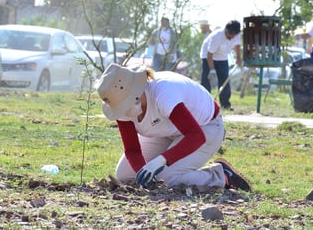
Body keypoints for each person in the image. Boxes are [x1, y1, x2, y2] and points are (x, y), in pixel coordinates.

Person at [96, 63, 251, 191]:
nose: (123, 112)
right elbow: (132, 150)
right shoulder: (119, 106)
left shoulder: (164, 93)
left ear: (135, 94)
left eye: (125, 106)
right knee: (125, 174)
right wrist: (143, 173)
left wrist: (161, 161)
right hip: (168, 131)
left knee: (167, 178)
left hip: (206, 128)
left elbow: (196, 136)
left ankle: (220, 175)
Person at [200, 20, 242, 110]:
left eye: (233, 36)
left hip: (222, 57)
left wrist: (238, 57)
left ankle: (225, 104)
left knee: (224, 80)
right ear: (226, 31)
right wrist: (212, 70)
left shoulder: (237, 35)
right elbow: (209, 55)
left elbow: (237, 45)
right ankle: (204, 104)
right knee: (206, 80)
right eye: (229, 35)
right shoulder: (216, 37)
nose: (231, 38)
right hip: (207, 56)